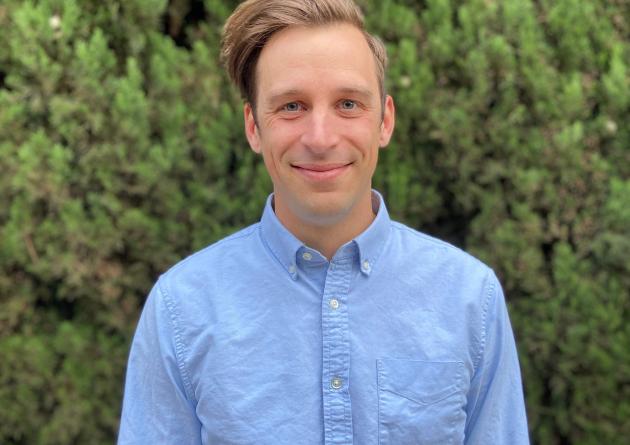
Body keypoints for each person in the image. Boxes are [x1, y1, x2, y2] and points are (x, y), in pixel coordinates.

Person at [118, 0, 530, 443]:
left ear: (384, 121)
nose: (320, 138)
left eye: (348, 103)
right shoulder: (181, 309)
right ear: (254, 127)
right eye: (292, 106)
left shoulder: (470, 299)